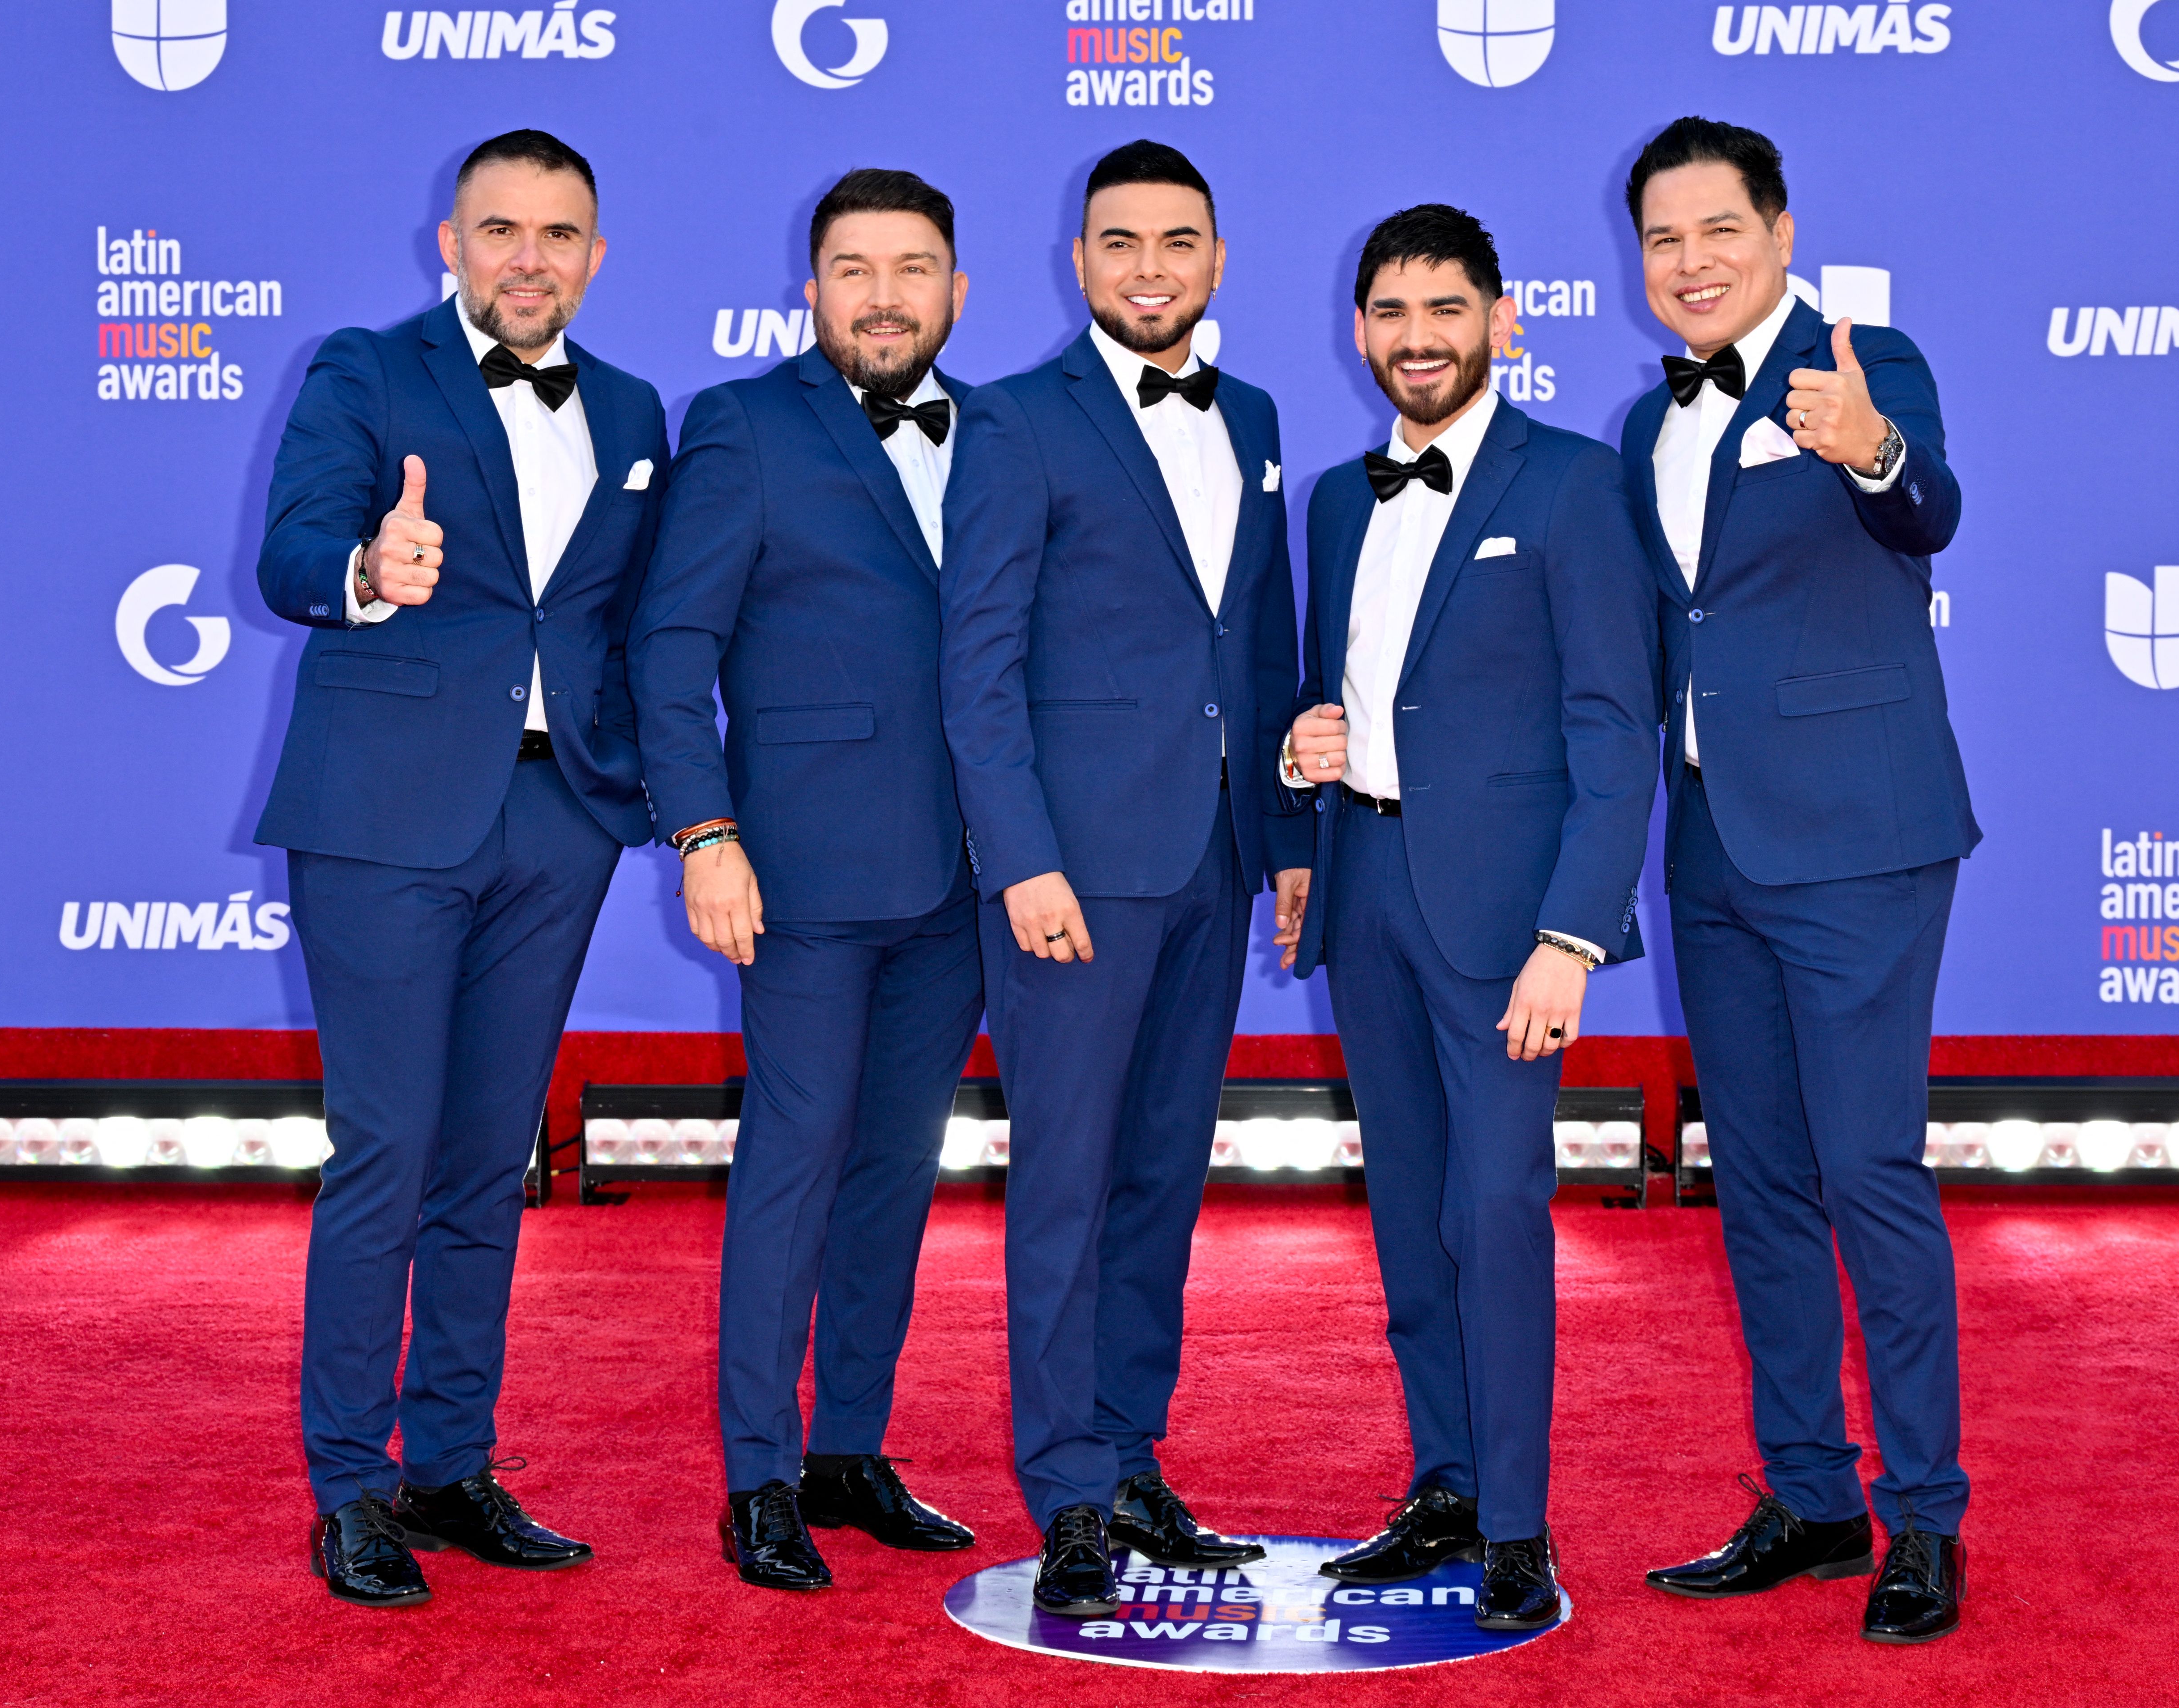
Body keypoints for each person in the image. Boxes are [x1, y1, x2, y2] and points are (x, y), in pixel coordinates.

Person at [254, 129, 671, 1609]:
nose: (528, 258)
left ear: (595, 257)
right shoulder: (368, 372)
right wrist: (370, 570)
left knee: (489, 1161)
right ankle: (351, 1488)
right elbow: (289, 550)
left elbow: (640, 627)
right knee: (388, 1151)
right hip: (383, 815)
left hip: (559, 820)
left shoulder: (629, 409)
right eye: (501, 229)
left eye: (560, 234)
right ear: (452, 241)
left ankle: (451, 1463)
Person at [1274, 205, 1662, 1632]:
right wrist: (1303, 758)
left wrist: (1571, 937)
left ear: (1502, 319)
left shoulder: (1573, 485)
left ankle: (1514, 1518)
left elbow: (1616, 730)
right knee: (1410, 1211)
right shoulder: (1330, 493)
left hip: (1507, 922)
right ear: (1357, 327)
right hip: (1367, 894)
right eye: (1389, 311)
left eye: (1446, 309)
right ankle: (1441, 1481)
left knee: (1496, 1212)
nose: (1416, 338)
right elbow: (1342, 694)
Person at [1614, 117, 1975, 1644]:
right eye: (1661, 239)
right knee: (1754, 1188)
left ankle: (1923, 1522)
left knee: (1866, 1175)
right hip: (1711, 850)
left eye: (1716, 230)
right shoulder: (1646, 431)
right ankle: (1812, 1498)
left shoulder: (1862, 360)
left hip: (1857, 841)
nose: (1689, 262)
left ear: (1776, 231)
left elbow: (1927, 509)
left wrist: (1868, 446)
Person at [938, 139, 1308, 1616]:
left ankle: (1132, 1455)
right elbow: (977, 670)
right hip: (1071, 883)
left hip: (1213, 865)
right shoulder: (1016, 423)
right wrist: (1020, 861)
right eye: (1118, 243)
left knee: (1161, 1179)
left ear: (1217, 260)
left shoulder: (1261, 416)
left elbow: (1262, 651)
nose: (1148, 268)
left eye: (1176, 242)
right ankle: (1068, 1492)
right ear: (1075, 263)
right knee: (1071, 1187)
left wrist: (1283, 851)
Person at [627, 168, 983, 1592]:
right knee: (791, 1167)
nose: (883, 295)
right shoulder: (743, 427)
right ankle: (759, 1477)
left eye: (912, 268)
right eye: (853, 267)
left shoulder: (1003, 433)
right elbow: (669, 650)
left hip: (965, 879)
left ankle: (849, 1448)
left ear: (957, 289)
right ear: (812, 288)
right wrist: (705, 836)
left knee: (897, 1171)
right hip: (802, 878)